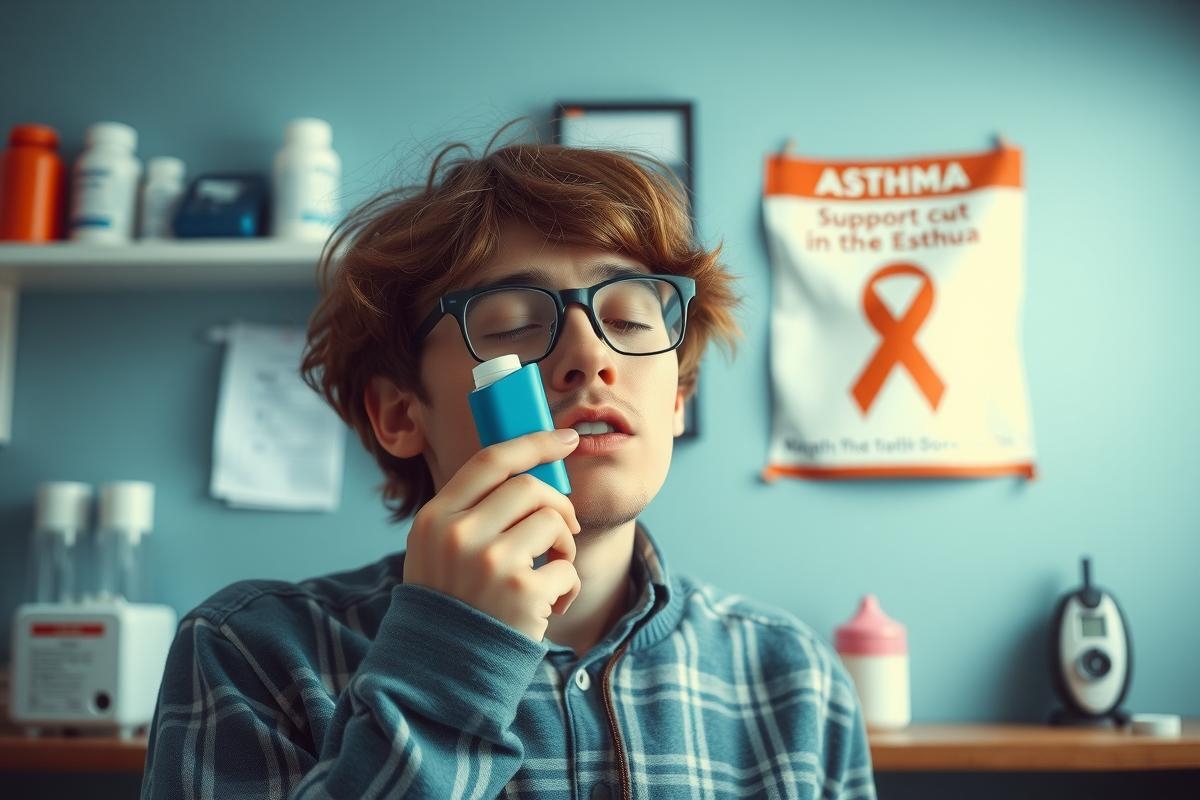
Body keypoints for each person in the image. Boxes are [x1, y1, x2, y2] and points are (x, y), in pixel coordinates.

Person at [141, 131, 877, 799]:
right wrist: (454, 657)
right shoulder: (254, 654)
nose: (590, 356)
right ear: (400, 414)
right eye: (517, 324)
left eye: (627, 319)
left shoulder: (794, 680)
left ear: (678, 397)